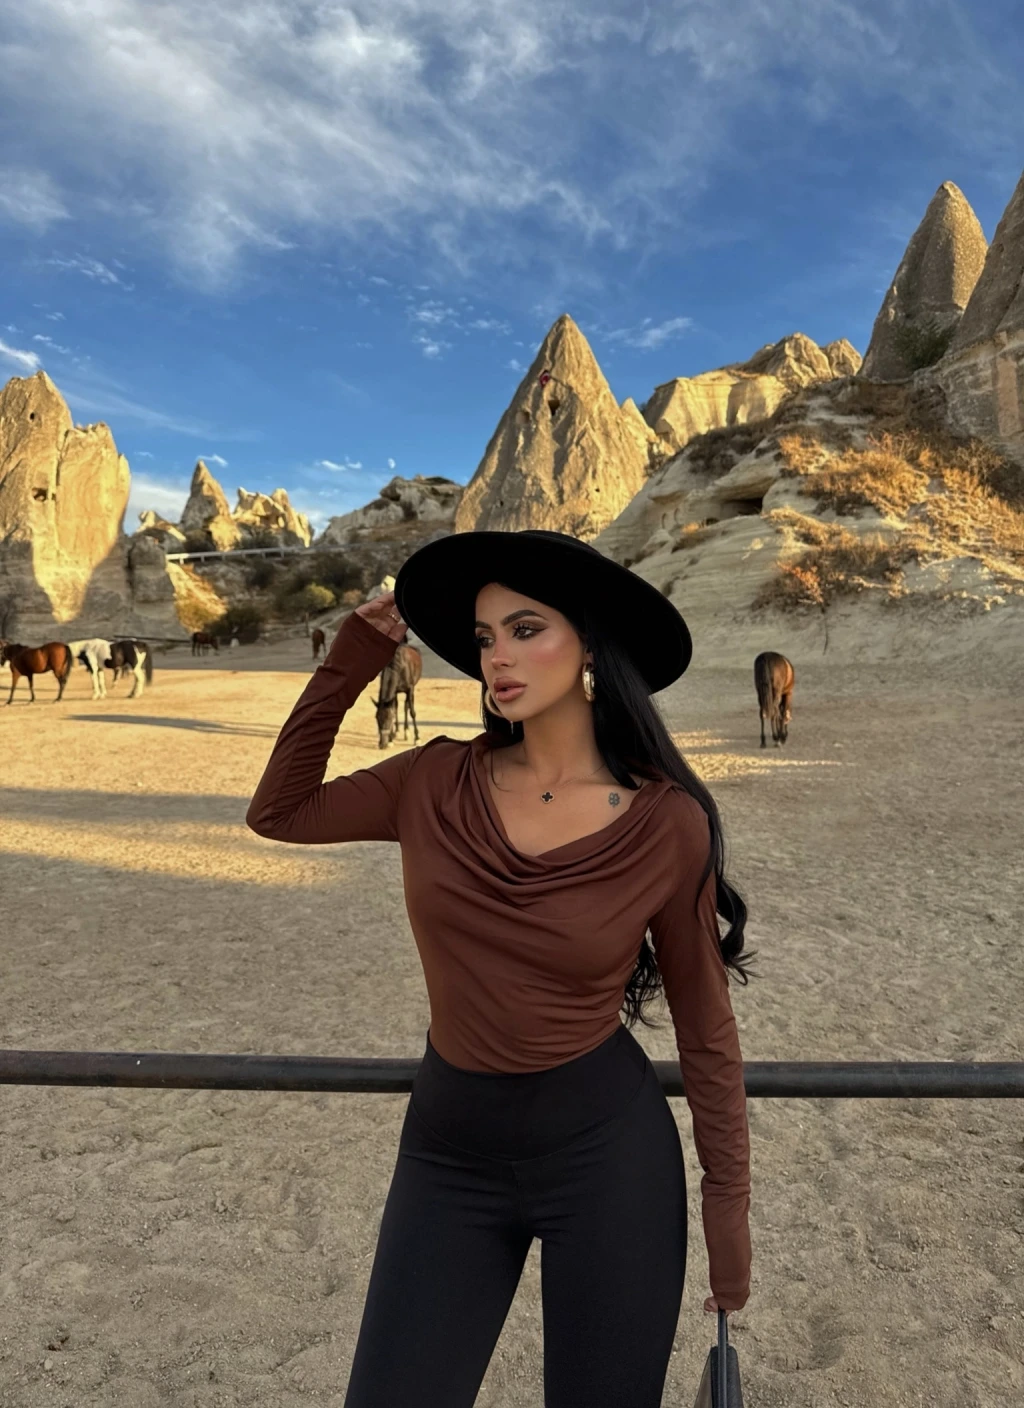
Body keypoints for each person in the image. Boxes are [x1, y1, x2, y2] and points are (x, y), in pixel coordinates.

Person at [245, 528, 756, 1408]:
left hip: (609, 1158)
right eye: (484, 639)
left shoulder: (667, 824)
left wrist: (728, 1209)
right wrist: (354, 655)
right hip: (449, 1155)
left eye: (525, 630)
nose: (497, 659)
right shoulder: (433, 780)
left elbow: (705, 1025)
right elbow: (280, 811)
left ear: (589, 646)